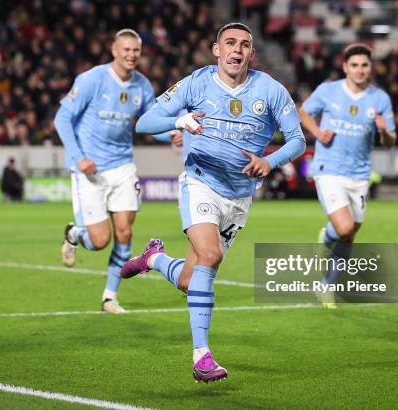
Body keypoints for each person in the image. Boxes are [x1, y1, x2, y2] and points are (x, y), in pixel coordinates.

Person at [120, 23, 306, 383]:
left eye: (245, 45)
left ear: (252, 53)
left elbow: (297, 140)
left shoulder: (270, 90)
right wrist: (179, 119)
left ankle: (153, 258)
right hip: (200, 182)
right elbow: (145, 122)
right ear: (216, 49)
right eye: (230, 43)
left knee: (190, 280)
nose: (237, 50)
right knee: (210, 255)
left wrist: (270, 161)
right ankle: (201, 356)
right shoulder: (196, 82)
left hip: (238, 197)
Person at [54, 29, 182, 314]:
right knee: (100, 241)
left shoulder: (142, 85)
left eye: (135, 50)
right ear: (114, 51)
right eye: (125, 50)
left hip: (123, 166)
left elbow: (151, 122)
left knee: (124, 233)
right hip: (89, 170)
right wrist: (78, 158)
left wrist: (172, 132)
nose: (131, 55)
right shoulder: (91, 80)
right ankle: (74, 234)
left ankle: (109, 297)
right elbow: (62, 117)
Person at [298, 44, 397, 307]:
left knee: (350, 233)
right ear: (345, 67)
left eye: (364, 65)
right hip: (328, 168)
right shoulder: (328, 91)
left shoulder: (380, 98)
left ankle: (326, 286)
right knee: (343, 228)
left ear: (370, 68)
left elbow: (389, 141)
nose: (360, 70)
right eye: (354, 65)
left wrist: (384, 132)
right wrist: (318, 133)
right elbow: (304, 111)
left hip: (360, 174)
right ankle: (329, 235)